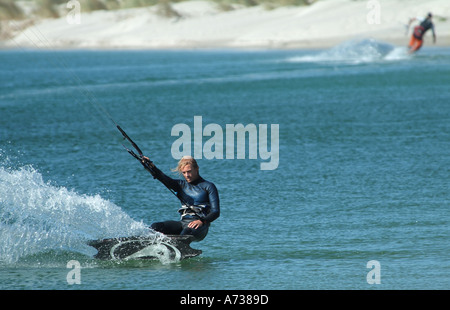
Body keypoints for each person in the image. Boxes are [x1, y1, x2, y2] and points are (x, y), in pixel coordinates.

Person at [143, 155, 220, 242]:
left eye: (189, 171)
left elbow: (215, 212)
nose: (187, 175)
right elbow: (162, 177)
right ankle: (150, 247)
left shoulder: (208, 186)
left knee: (186, 232)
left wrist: (202, 221)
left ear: (197, 168)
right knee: (155, 227)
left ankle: (177, 249)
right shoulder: (180, 185)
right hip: (183, 223)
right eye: (184, 172)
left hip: (200, 226)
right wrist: (150, 165)